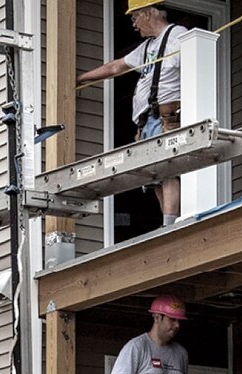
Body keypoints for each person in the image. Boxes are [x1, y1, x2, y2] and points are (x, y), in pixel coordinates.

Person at [77, 0, 187, 227]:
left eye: (135, 18)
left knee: (167, 170)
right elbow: (116, 67)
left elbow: (191, 69)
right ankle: (167, 223)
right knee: (155, 177)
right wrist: (81, 78)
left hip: (165, 116)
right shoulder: (148, 47)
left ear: (148, 14)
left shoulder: (177, 36)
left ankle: (170, 225)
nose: (134, 25)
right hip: (147, 122)